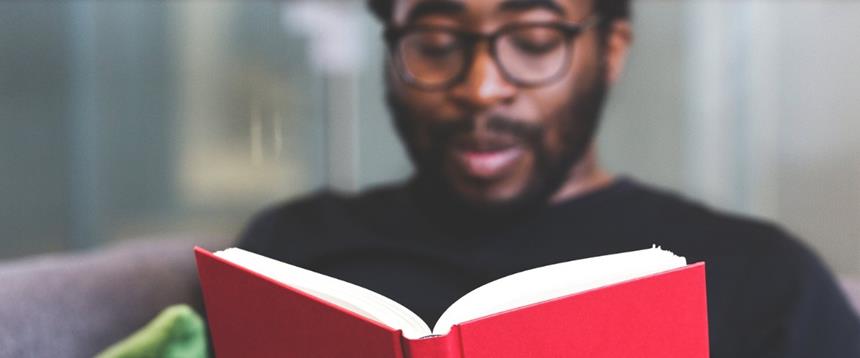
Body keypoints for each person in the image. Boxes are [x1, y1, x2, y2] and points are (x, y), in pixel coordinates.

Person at [237, 0, 860, 356]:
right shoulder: (292, 252)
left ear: (611, 51)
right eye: (435, 43)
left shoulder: (762, 276)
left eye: (534, 42)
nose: (482, 89)